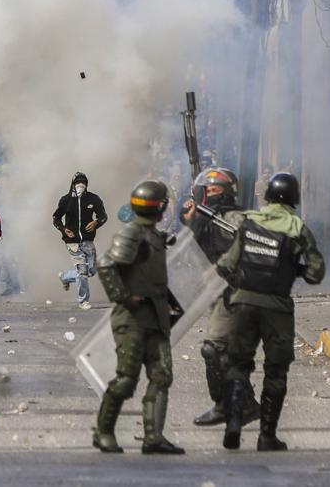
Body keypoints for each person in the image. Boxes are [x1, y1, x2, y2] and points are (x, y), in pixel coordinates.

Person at [216, 173, 325, 452]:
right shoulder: (297, 227)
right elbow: (316, 273)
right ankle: (267, 437)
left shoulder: (249, 221)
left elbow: (227, 265)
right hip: (276, 307)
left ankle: (233, 426)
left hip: (243, 304)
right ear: (294, 198)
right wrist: (293, 268)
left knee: (238, 365)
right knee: (276, 371)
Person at [91, 180, 183, 455]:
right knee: (126, 380)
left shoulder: (152, 235)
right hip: (131, 318)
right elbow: (106, 264)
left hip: (156, 317)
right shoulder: (133, 233)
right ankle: (104, 432)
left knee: (161, 376)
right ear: (161, 207)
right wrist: (123, 297)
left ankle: (153, 437)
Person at [180, 168, 258, 427]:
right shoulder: (202, 220)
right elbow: (190, 252)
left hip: (238, 290)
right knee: (226, 352)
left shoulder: (238, 218)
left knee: (213, 349)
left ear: (229, 191)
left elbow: (246, 250)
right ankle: (245, 403)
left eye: (217, 190)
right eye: (209, 190)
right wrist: (190, 220)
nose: (212, 193)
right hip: (215, 293)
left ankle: (225, 406)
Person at [53, 172, 107, 310]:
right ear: (72, 184)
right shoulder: (65, 200)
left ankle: (65, 276)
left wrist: (96, 223)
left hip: (88, 241)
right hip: (72, 242)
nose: (80, 185)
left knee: (91, 270)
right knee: (82, 271)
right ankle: (83, 301)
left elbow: (103, 216)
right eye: (77, 182)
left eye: (83, 182)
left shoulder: (93, 199)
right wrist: (64, 230)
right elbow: (56, 218)